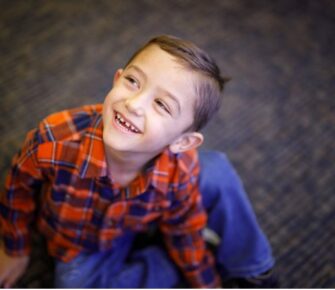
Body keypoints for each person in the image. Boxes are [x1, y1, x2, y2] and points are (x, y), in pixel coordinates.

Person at [0, 35, 275, 288]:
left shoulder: (181, 168)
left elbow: (183, 227)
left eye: (162, 105)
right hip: (83, 243)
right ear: (117, 78)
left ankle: (252, 268)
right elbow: (16, 191)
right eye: (133, 81)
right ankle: (184, 254)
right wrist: (15, 248)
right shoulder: (53, 138)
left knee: (215, 171)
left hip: (146, 219)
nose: (134, 103)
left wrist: (206, 284)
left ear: (182, 142)